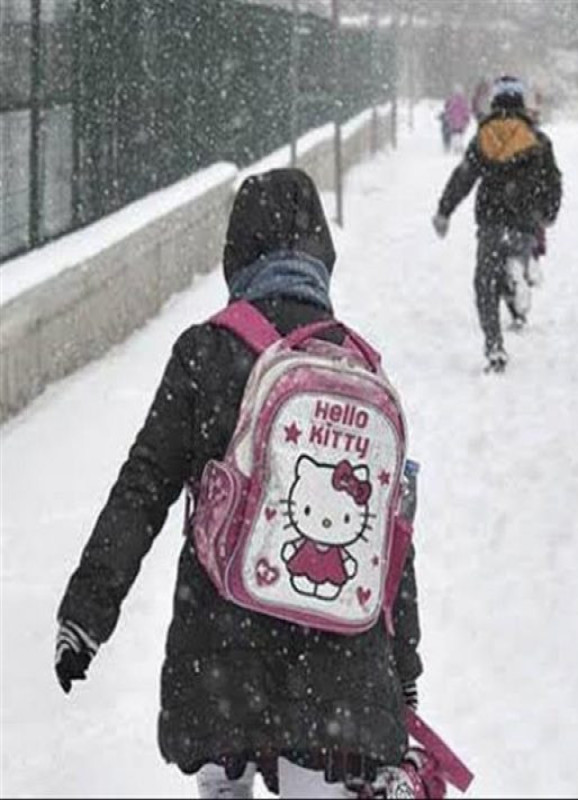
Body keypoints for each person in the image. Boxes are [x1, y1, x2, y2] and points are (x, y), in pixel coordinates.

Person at [53, 168, 423, 797]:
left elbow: (143, 488)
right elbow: (389, 538)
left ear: (236, 254)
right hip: (333, 671)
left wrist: (86, 615)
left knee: (223, 786)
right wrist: (401, 665)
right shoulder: (357, 365)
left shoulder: (204, 352)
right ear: (320, 256)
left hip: (220, 652)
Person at [432, 76, 562, 373]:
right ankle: (521, 268)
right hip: (525, 222)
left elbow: (463, 177)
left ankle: (494, 347)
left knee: (485, 283)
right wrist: (548, 213)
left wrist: (444, 211)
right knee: (514, 257)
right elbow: (553, 182)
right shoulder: (539, 141)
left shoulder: (484, 138)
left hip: (491, 221)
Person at [440, 85, 472, 154]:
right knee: (460, 134)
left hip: (453, 121)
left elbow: (448, 109)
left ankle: (456, 147)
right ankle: (459, 146)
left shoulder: (452, 100)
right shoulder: (464, 100)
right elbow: (466, 110)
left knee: (455, 134)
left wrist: (448, 117)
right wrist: (467, 118)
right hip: (461, 121)